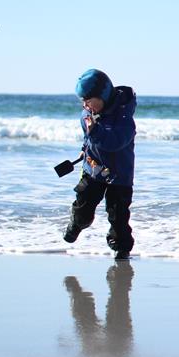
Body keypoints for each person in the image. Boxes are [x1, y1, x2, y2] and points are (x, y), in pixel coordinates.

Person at [62, 69, 137, 259]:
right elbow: (88, 138)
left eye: (88, 100)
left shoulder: (124, 118)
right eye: (82, 101)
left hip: (119, 175)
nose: (85, 104)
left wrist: (94, 132)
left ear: (102, 96)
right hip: (93, 170)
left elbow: (114, 143)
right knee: (83, 208)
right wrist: (85, 147)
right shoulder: (87, 114)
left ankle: (122, 250)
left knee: (118, 217)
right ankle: (76, 223)